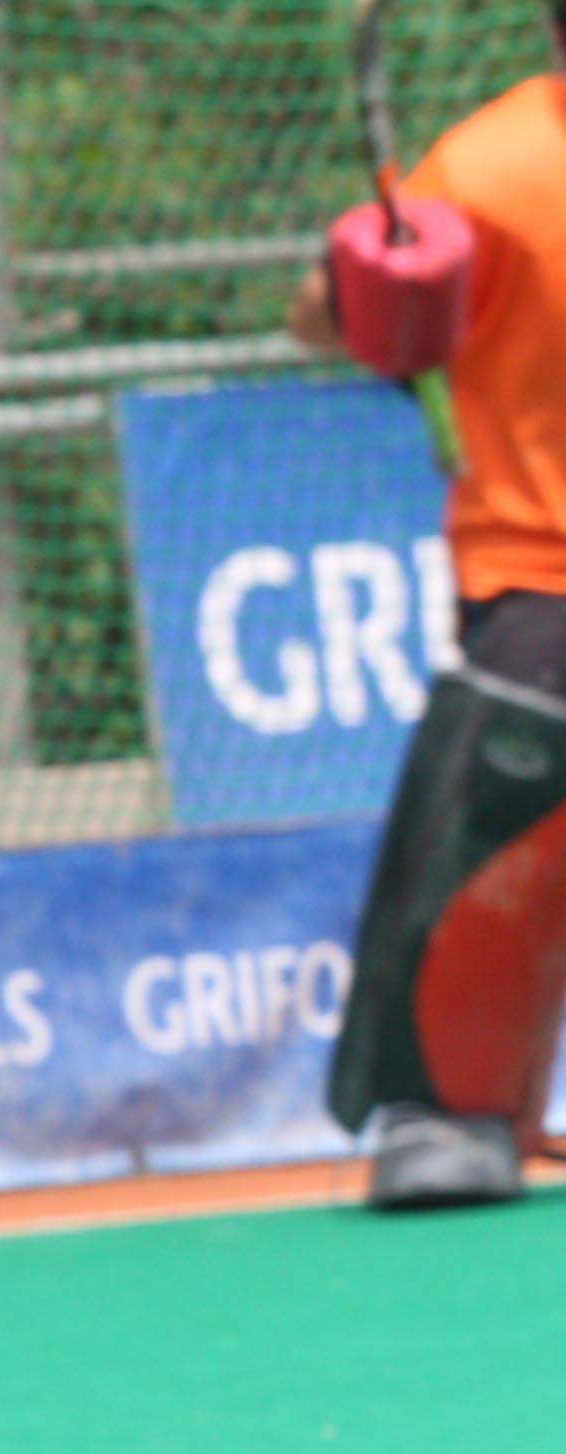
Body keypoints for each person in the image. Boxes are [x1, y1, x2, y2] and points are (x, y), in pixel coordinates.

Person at [301, 21, 566, 1206]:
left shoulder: (476, 164)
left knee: (488, 858)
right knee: (491, 854)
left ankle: (451, 1116)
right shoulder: (488, 172)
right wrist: (383, 286)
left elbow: (326, 320)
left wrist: (372, 286)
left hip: (528, 591)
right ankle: (452, 1112)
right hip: (540, 580)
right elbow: (345, 317)